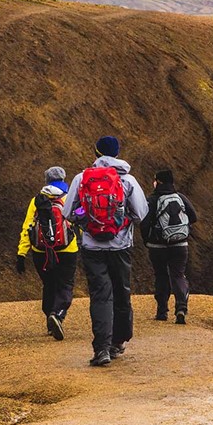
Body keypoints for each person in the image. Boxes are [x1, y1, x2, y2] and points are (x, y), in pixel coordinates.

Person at [63, 136, 148, 367]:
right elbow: (141, 214)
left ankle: (101, 349)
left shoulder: (82, 178)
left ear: (96, 152)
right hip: (120, 245)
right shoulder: (128, 180)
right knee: (121, 292)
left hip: (92, 246)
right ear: (118, 154)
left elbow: (68, 213)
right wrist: (123, 221)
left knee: (101, 295)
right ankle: (118, 342)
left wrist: (87, 222)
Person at [15, 166, 78, 341]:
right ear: (64, 179)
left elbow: (27, 227)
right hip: (67, 249)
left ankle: (49, 318)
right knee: (65, 285)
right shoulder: (68, 198)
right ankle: (57, 315)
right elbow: (77, 216)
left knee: (49, 284)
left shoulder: (36, 201)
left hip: (40, 252)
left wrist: (22, 253)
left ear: (46, 180)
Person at [141, 169, 198, 325]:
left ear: (158, 182)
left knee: (161, 275)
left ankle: (162, 311)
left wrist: (147, 240)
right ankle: (181, 308)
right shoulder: (180, 198)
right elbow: (193, 217)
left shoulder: (151, 200)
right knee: (178, 275)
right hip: (179, 245)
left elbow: (144, 223)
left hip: (157, 246)